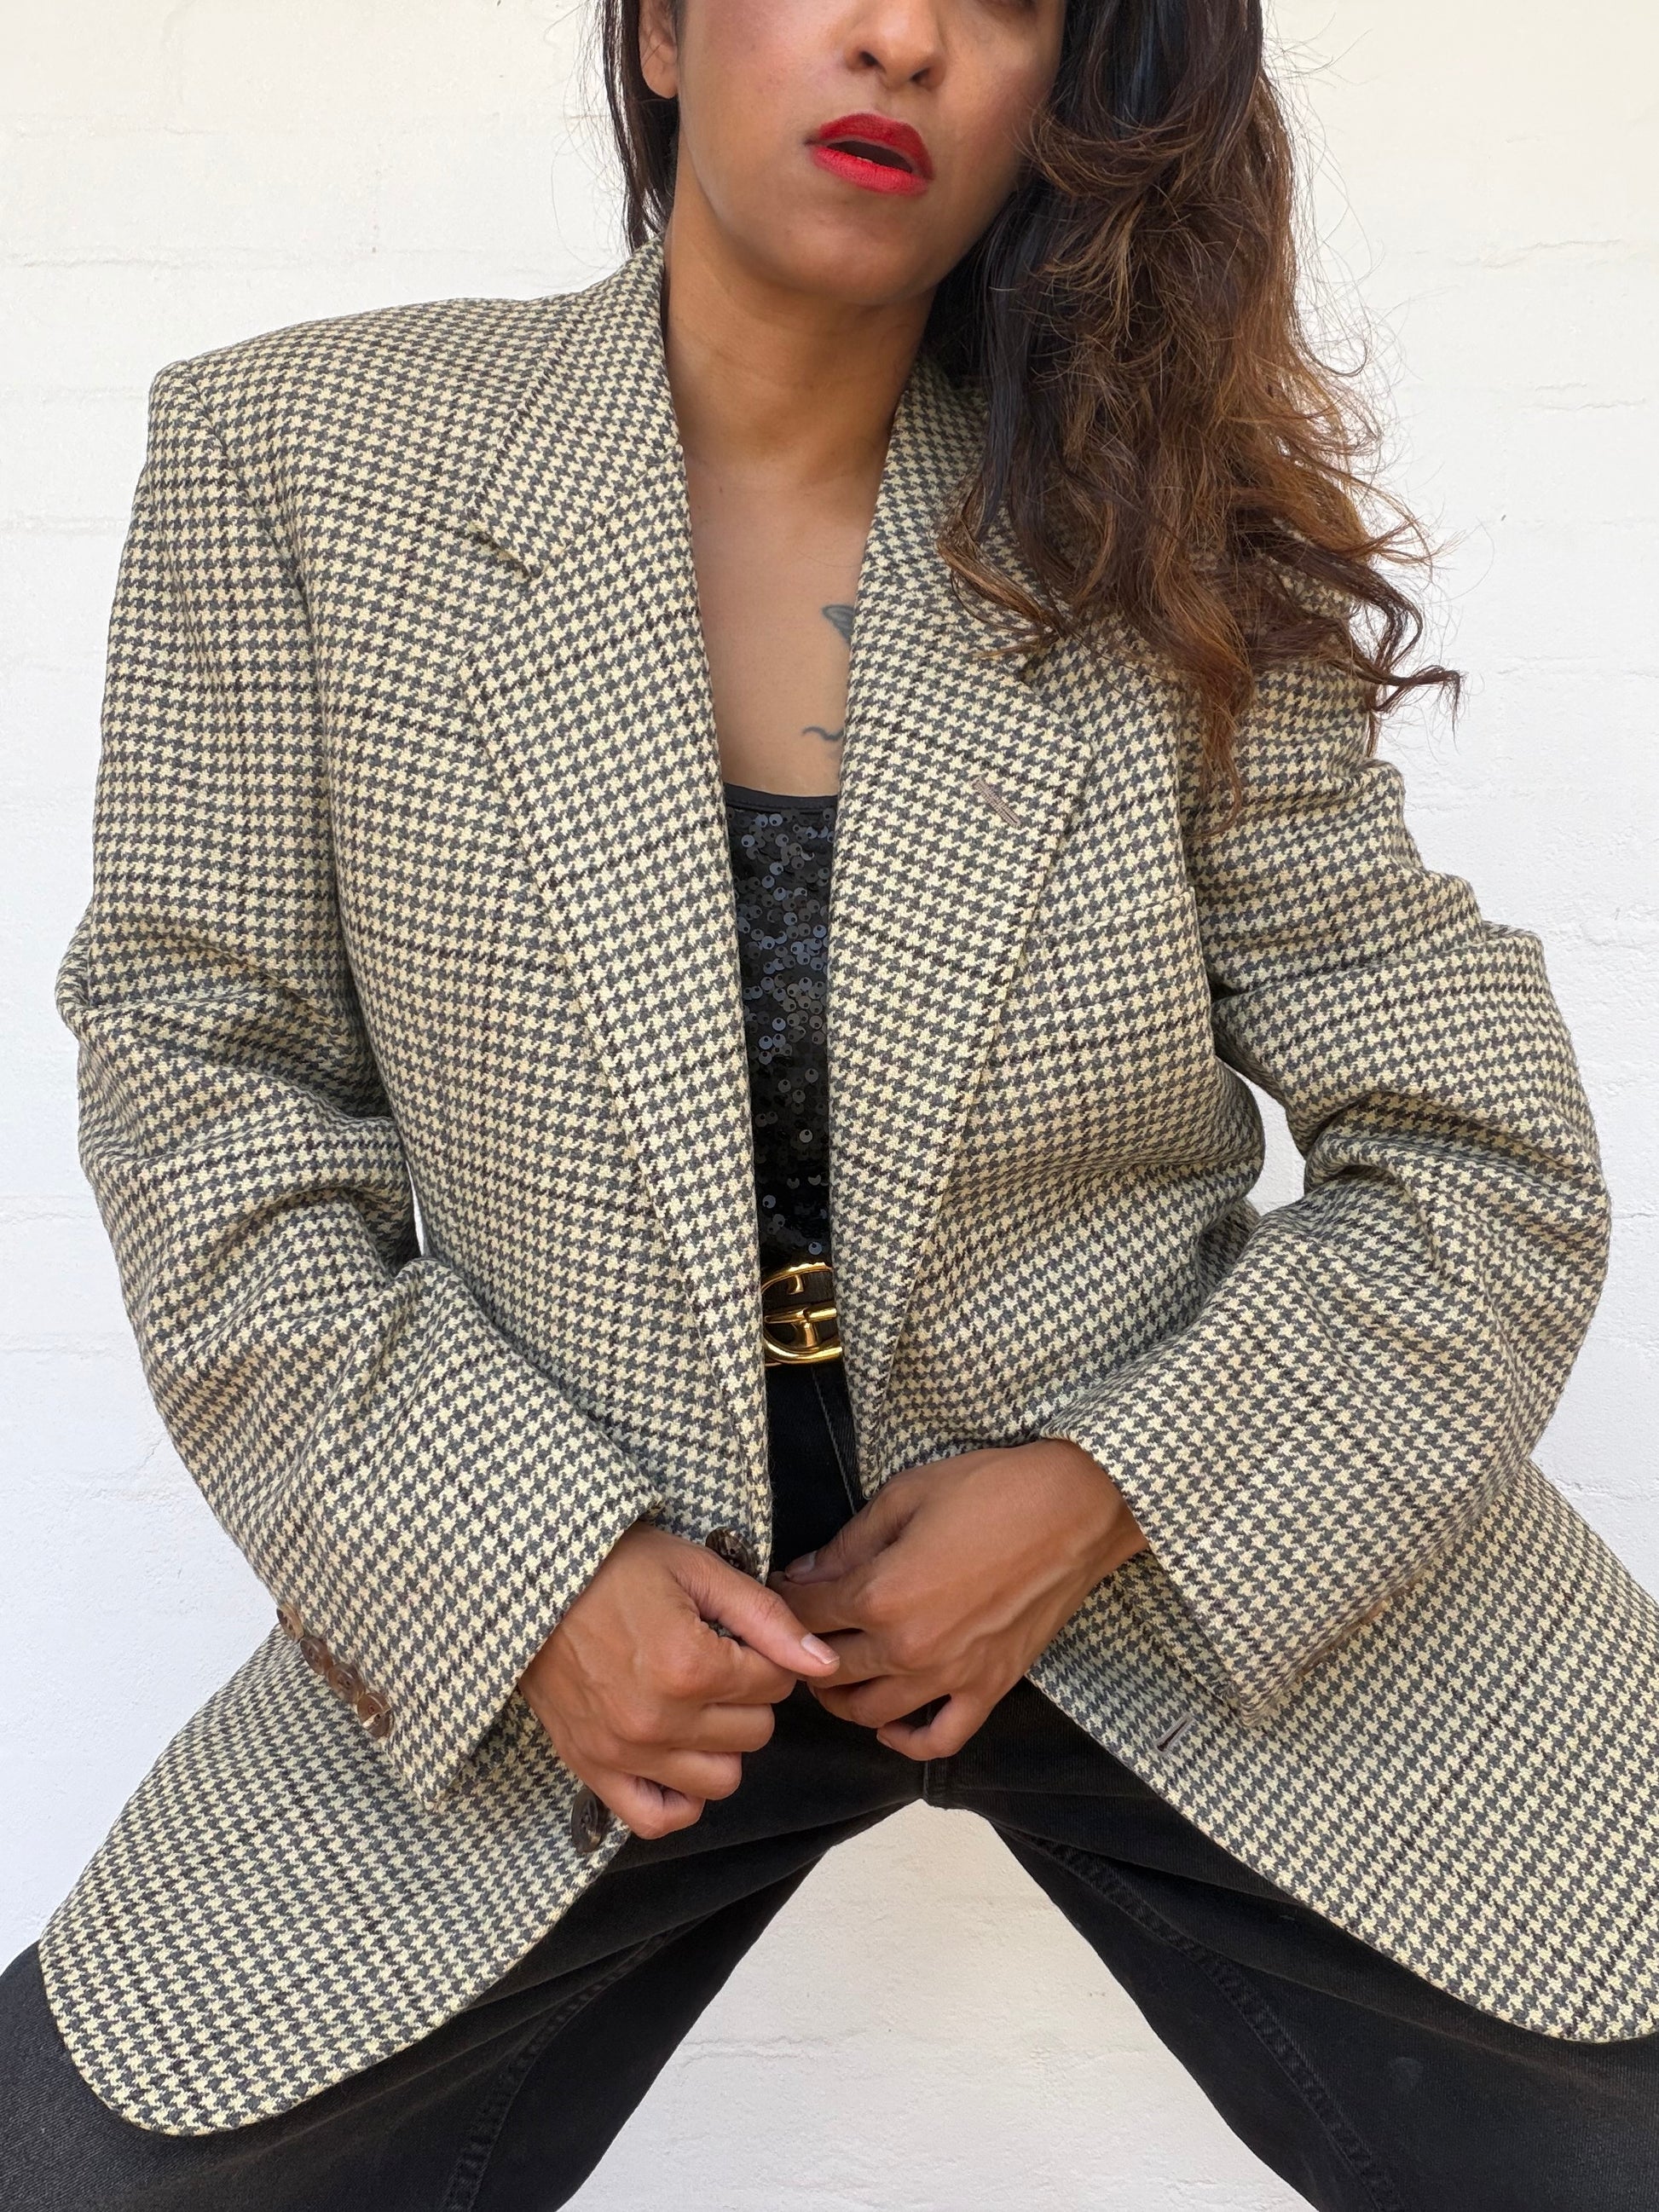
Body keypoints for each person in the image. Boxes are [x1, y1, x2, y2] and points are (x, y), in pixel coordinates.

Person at [3, 0, 1657, 2204]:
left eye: (1001, 3)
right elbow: (206, 1077)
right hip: (576, 1615)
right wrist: (526, 1564)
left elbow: (1478, 1152)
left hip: (1159, 1567)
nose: (900, 39)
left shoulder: (1153, 532)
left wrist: (1108, 1487)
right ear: (661, 28)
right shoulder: (300, 465)